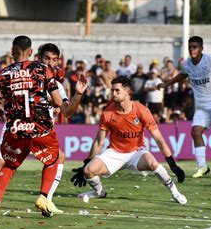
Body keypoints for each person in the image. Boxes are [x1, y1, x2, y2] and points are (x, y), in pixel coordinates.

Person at [0, 42, 87, 215]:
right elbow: (63, 107)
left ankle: (41, 200)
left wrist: (77, 94)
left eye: (54, 60)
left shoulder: (6, 73)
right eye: (47, 58)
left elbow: (67, 112)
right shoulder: (43, 74)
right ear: (35, 55)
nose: (50, 63)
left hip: (15, 127)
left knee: (43, 159)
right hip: (38, 129)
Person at [71, 76, 187, 205]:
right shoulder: (107, 113)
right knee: (88, 171)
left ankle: (175, 193)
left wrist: (173, 165)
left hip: (136, 152)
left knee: (154, 164)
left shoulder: (141, 110)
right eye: (112, 90)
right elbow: (99, 141)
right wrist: (86, 163)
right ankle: (99, 192)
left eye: (117, 90)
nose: (113, 93)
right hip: (114, 153)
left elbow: (159, 139)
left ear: (127, 92)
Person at [158, 36, 211, 178]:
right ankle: (202, 167)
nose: (192, 49)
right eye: (190, 47)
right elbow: (181, 76)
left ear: (202, 48)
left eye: (195, 47)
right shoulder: (187, 64)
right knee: (195, 132)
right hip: (201, 106)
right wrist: (165, 84)